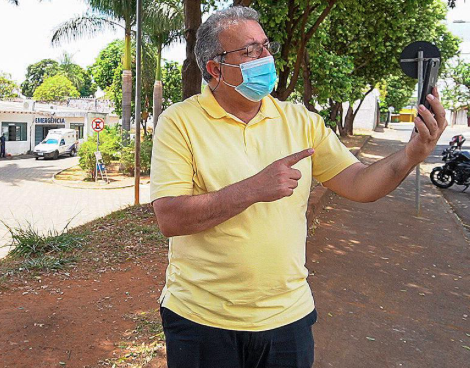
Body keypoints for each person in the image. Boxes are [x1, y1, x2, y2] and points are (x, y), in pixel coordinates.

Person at [150, 7, 448, 368]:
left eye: (266, 46)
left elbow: (359, 183)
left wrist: (411, 154)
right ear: (215, 69)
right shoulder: (180, 122)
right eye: (250, 51)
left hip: (287, 318)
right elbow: (170, 218)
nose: (265, 57)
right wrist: (252, 189)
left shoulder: (301, 120)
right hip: (200, 320)